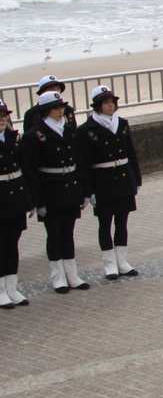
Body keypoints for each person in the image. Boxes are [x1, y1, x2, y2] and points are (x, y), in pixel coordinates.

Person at [20, 92, 89, 293]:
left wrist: (84, 191)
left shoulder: (70, 131)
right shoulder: (34, 135)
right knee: (54, 233)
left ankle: (72, 275)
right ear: (46, 111)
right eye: (56, 108)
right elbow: (32, 172)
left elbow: (80, 162)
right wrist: (38, 201)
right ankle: (58, 277)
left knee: (68, 232)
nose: (61, 111)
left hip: (70, 187)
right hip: (50, 191)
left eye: (62, 107)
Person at [76, 86, 142, 281]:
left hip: (123, 177)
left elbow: (131, 153)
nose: (110, 106)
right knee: (105, 224)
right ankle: (109, 263)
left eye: (112, 102)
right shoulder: (86, 130)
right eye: (105, 103)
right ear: (98, 106)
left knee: (122, 222)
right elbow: (84, 163)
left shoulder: (122, 123)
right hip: (102, 182)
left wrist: (136, 179)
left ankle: (122, 261)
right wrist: (88, 191)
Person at [0, 98, 34, 309]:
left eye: (4, 116)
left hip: (16, 196)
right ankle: (0, 290)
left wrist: (30, 199)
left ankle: (12, 287)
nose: (2, 120)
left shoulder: (13, 138)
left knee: (13, 242)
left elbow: (25, 167)